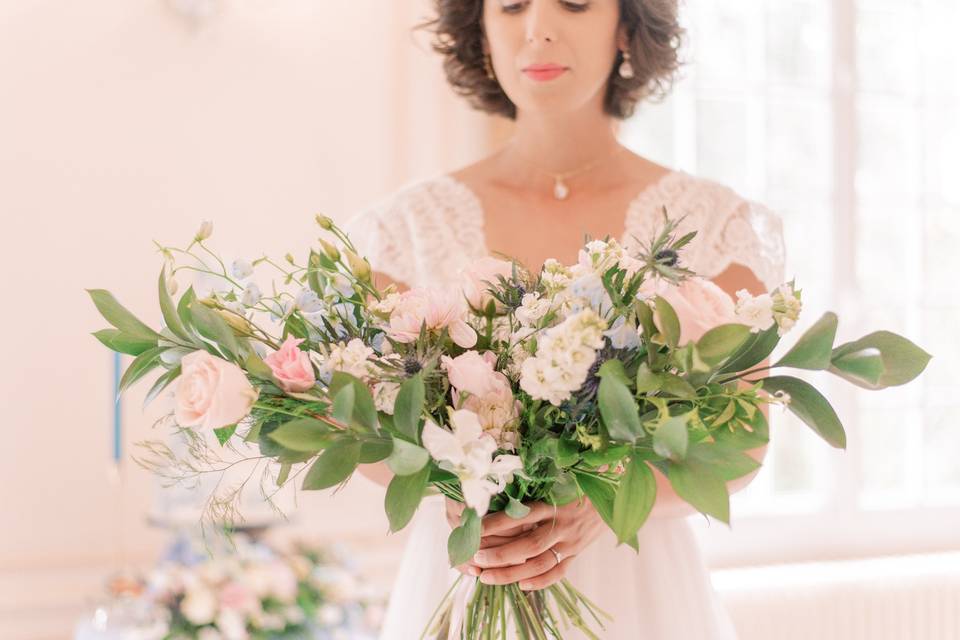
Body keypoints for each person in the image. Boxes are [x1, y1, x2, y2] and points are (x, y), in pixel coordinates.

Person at [344, 1, 786, 637]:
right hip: (466, 579)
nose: (538, 28)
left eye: (574, 1)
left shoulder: (714, 226)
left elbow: (741, 446)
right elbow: (366, 432)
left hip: (639, 589)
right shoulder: (401, 229)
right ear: (481, 29)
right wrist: (457, 487)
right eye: (512, 5)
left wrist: (605, 501)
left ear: (629, 27)